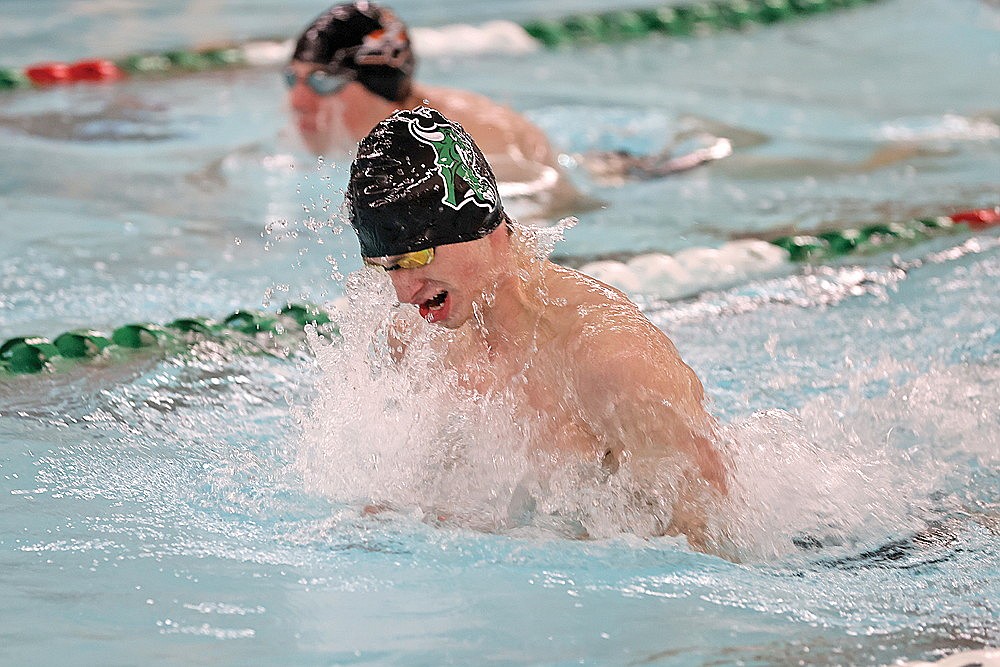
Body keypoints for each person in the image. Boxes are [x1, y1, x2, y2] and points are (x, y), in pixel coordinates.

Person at [346, 105, 729, 549]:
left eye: (415, 258)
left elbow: (708, 535)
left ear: (479, 228)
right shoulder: (421, 341)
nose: (403, 291)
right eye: (386, 267)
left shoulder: (608, 357)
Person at [286, 1, 589, 217]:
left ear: (380, 87)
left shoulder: (472, 143)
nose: (298, 102)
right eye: (292, 78)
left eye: (322, 81)